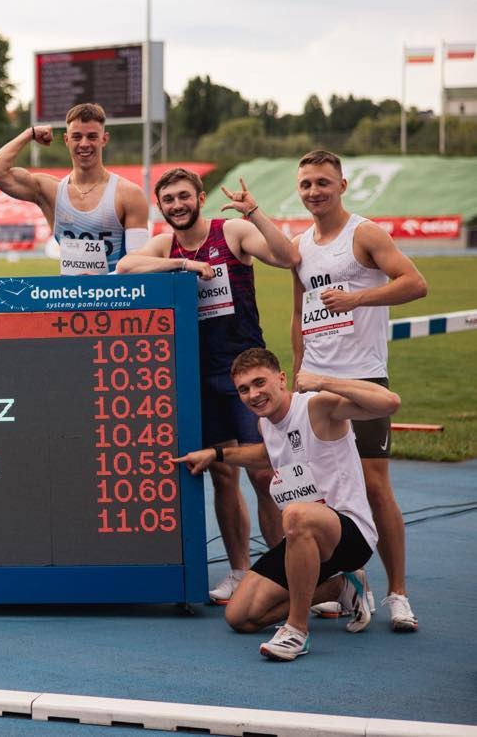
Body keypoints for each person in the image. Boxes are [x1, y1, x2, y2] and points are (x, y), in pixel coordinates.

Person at [116, 168, 299, 602]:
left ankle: (284, 571)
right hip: (200, 374)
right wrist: (182, 264)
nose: (177, 205)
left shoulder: (231, 231)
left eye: (184, 196)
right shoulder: (167, 245)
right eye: (168, 200)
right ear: (160, 207)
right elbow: (125, 266)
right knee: (222, 475)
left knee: (264, 473)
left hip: (244, 371)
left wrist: (253, 212)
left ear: (199, 196)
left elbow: (286, 257)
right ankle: (240, 571)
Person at [174, 348, 401, 661]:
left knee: (295, 515)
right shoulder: (265, 425)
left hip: (348, 534)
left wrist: (322, 380)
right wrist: (216, 454)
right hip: (302, 537)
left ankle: (297, 631)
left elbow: (390, 402)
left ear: (281, 379)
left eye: (259, 383)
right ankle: (338, 589)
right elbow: (267, 455)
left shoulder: (317, 407)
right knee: (240, 617)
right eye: (244, 389)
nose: (253, 395)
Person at [289, 150, 428, 632]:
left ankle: (398, 593)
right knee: (325, 492)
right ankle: (349, 580)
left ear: (342, 185)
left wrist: (357, 297)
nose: (314, 192)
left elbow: (415, 282)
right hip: (314, 383)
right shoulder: (299, 245)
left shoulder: (364, 234)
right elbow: (299, 315)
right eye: (306, 184)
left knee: (374, 486)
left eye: (323, 183)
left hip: (363, 377)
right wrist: (297, 372)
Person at [0, 102, 149, 274]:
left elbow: (139, 263)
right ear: (66, 140)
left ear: (104, 139)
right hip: (68, 299)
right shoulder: (50, 191)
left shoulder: (128, 194)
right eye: (76, 137)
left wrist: (101, 283)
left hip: (115, 298)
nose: (84, 144)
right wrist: (29, 133)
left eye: (92, 136)